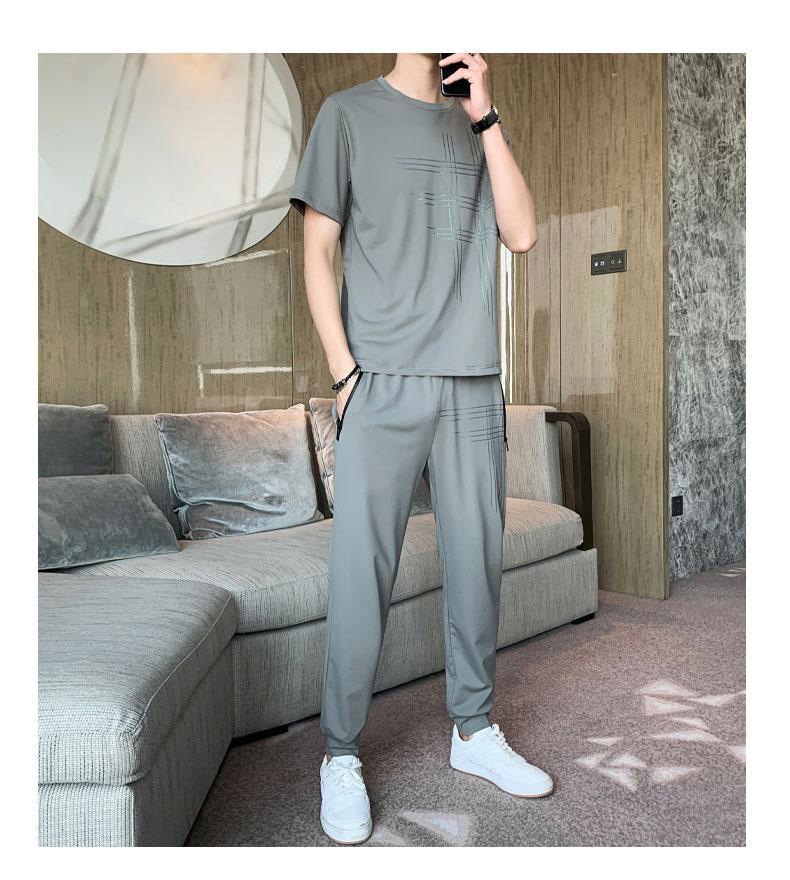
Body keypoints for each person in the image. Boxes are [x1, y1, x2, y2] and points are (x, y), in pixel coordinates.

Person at [289, 52, 552, 846]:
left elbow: (522, 233)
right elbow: (317, 250)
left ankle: (473, 729)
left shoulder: (476, 120)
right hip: (382, 381)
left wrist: (486, 115)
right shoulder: (346, 115)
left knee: (477, 560)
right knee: (361, 569)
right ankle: (340, 754)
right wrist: (344, 373)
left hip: (471, 380)